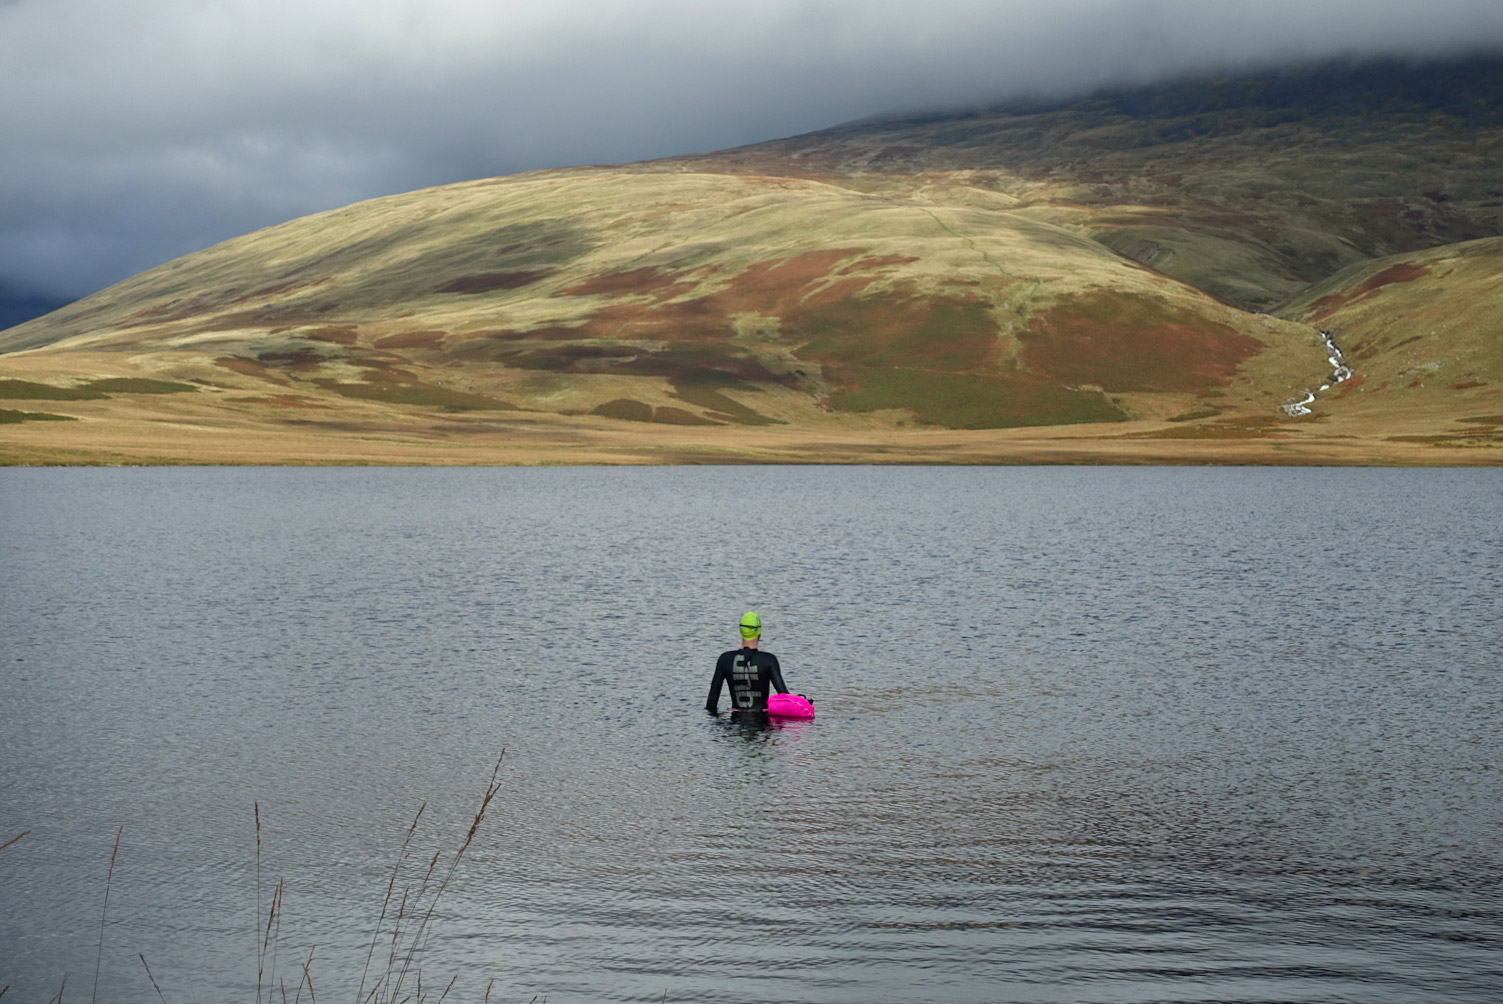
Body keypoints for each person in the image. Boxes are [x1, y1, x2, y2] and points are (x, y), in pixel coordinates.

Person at [706, 611, 789, 715]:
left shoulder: (725, 659)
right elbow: (785, 699)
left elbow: (711, 703)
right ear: (759, 632)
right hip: (762, 723)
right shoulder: (769, 660)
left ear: (741, 631)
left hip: (735, 722)